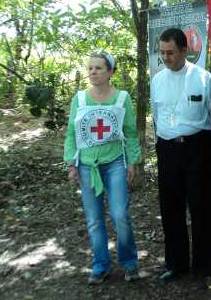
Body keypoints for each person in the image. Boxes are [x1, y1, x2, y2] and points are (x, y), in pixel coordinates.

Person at [64, 51, 141, 284]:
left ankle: (129, 262)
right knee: (94, 219)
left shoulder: (122, 98)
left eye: (98, 68)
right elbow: (71, 133)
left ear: (110, 72)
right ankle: (100, 265)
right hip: (87, 165)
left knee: (120, 215)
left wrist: (132, 162)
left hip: (115, 162)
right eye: (90, 68)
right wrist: (71, 164)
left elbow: (130, 132)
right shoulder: (79, 99)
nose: (93, 72)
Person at [150, 28, 211, 289]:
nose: (165, 57)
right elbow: (157, 116)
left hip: (197, 148)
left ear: (184, 50)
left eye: (171, 52)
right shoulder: (157, 80)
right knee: (170, 208)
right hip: (167, 150)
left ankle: (203, 268)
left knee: (201, 208)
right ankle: (176, 264)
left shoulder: (204, 78)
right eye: (162, 52)